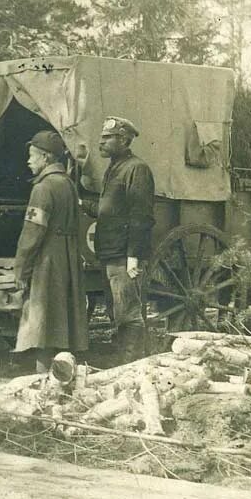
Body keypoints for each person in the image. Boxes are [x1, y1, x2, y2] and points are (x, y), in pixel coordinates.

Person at [13, 131, 88, 372]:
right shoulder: (68, 184)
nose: (28, 161)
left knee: (44, 320)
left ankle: (43, 374)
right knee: (63, 317)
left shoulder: (43, 188)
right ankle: (62, 374)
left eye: (32, 156)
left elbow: (32, 234)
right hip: (67, 256)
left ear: (45, 158)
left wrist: (21, 270)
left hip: (48, 259)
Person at [94, 117, 155, 362]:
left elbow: (141, 216)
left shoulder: (136, 169)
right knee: (115, 311)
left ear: (124, 139)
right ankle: (124, 362)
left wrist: (133, 257)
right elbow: (111, 210)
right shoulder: (114, 168)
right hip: (110, 252)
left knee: (128, 313)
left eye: (107, 138)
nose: (101, 142)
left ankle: (134, 366)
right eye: (101, 137)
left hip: (122, 255)